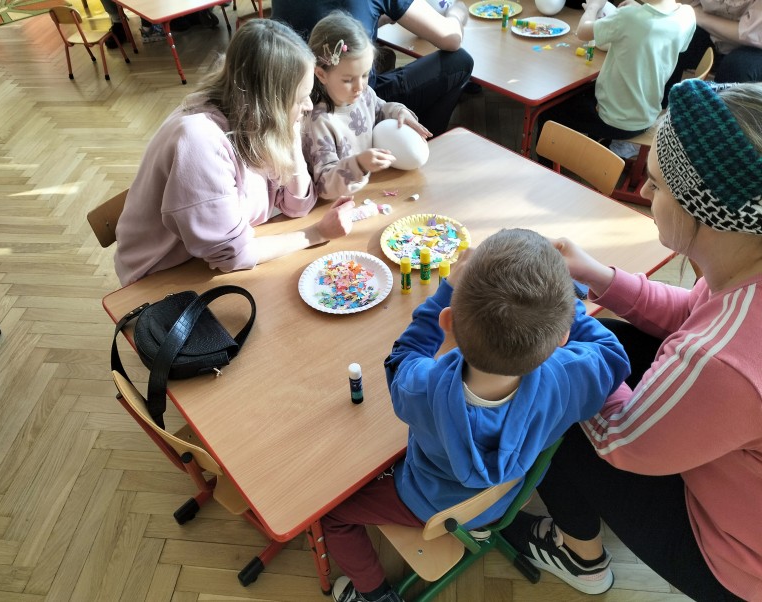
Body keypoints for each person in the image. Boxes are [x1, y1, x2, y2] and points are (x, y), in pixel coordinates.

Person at [503, 80, 762, 600]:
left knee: (552, 394)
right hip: (734, 471)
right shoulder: (744, 266)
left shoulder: (721, 359)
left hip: (737, 559)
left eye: (658, 186)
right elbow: (690, 312)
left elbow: (621, 441)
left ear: (705, 211)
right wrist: (595, 274)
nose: (643, 193)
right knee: (612, 342)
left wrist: (564, 331)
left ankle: (581, 559)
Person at [322, 228, 631, 602]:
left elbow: (404, 355)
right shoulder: (572, 376)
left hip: (432, 501)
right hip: (508, 494)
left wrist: (447, 289)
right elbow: (611, 352)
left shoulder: (422, 388)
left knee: (332, 516)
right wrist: (565, 303)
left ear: (447, 322)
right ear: (564, 335)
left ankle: (375, 595)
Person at [113, 19, 355, 286]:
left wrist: (292, 137)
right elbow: (233, 256)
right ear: (268, 104)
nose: (309, 105)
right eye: (299, 99)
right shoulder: (200, 141)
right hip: (159, 277)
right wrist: (316, 234)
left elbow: (297, 206)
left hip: (207, 258)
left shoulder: (257, 121)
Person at [271, 0, 474, 135]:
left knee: (386, 57)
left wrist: (382, 15)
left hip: (291, 100)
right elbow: (451, 38)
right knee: (460, 62)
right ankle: (428, 138)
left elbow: (327, 22)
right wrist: (457, 12)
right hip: (342, 103)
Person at [302, 12, 431, 200]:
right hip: (336, 202)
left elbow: (380, 110)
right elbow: (324, 186)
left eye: (365, 75)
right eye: (348, 80)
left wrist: (399, 112)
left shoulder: (364, 95)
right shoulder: (320, 121)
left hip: (370, 188)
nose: (360, 86)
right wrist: (359, 165)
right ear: (321, 75)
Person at [536, 0, 695, 148]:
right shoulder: (687, 15)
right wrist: (641, 10)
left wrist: (593, 7)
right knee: (583, 90)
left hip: (614, 120)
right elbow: (659, 32)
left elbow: (583, 32)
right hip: (648, 114)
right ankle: (597, 146)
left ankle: (553, 164)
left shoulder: (629, 17)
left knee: (547, 110)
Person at [664, 0, 762, 103]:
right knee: (673, 34)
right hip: (713, 30)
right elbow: (680, 5)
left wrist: (700, 16)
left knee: (737, 67)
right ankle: (661, 104)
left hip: (755, 46)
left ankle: (717, 110)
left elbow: (750, 33)